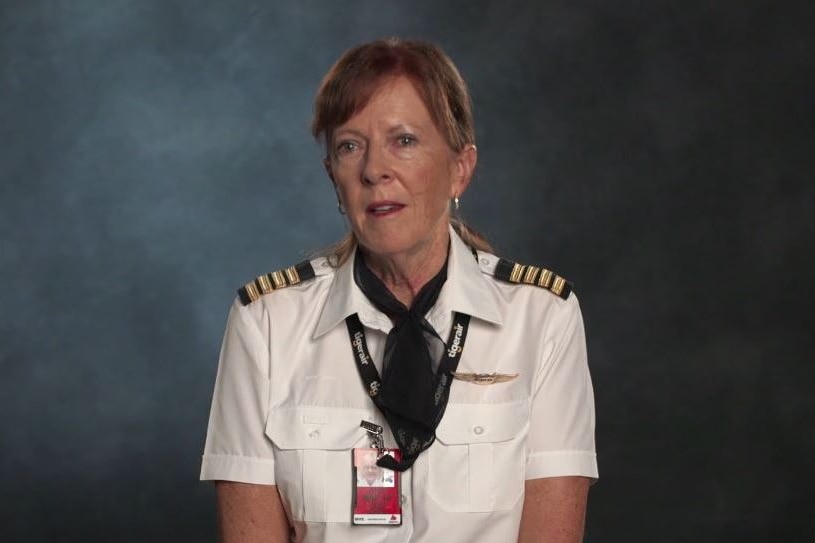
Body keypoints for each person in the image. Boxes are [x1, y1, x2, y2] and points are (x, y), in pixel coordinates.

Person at [201, 38, 597, 543]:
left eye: (404, 140)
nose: (374, 169)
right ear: (333, 178)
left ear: (461, 167)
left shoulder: (542, 320)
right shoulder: (266, 324)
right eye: (350, 146)